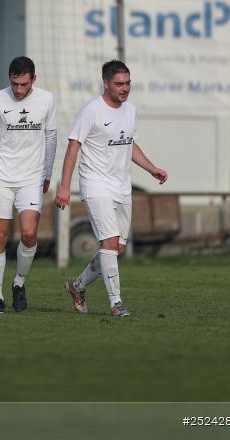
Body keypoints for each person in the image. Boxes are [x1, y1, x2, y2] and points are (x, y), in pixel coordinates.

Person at [55, 60, 168, 317]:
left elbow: (129, 145)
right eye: (119, 83)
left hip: (121, 187)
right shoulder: (91, 111)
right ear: (105, 83)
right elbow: (73, 147)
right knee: (109, 242)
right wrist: (64, 187)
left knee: (116, 249)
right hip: (96, 185)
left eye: (128, 83)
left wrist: (151, 168)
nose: (125, 88)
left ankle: (78, 286)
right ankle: (116, 303)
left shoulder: (130, 110)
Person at [0, 56, 56, 313]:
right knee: (0, 236)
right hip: (1, 176)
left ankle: (19, 282)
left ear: (33, 80)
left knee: (29, 235)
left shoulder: (46, 100)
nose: (18, 90)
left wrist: (48, 172)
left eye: (24, 85)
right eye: (14, 84)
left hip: (31, 177)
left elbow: (51, 136)